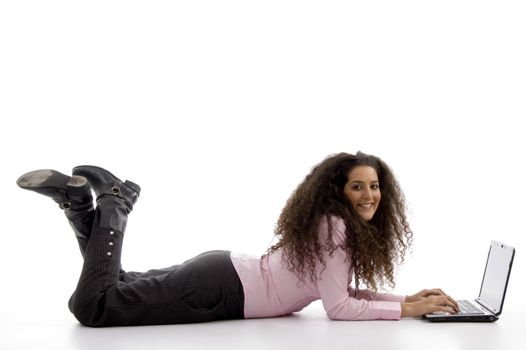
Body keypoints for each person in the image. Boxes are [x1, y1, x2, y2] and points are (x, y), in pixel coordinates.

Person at [16, 152, 459, 327]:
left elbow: (336, 290)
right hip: (219, 290)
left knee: (119, 282)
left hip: (222, 275)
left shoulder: (331, 223)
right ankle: (112, 206)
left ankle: (77, 204)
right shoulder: (337, 228)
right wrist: (406, 310)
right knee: (93, 307)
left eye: (375, 186)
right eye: (358, 186)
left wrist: (405, 298)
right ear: (338, 191)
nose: (370, 195)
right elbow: (340, 309)